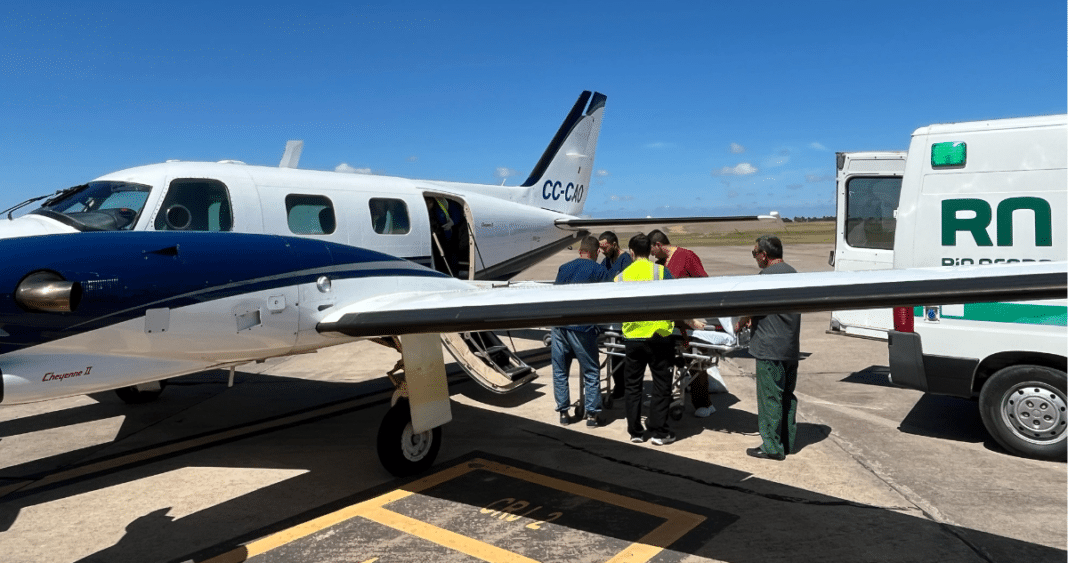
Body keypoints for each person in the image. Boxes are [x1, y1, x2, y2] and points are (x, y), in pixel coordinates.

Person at [738, 234, 802, 461]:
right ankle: (787, 442)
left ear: (764, 255)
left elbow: (750, 306)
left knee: (769, 398)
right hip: (790, 347)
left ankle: (772, 447)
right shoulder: (794, 273)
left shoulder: (764, 277)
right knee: (787, 396)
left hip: (769, 349)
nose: (755, 258)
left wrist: (741, 321)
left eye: (755, 253)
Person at [614, 233, 677, 446]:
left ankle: (635, 432)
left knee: (633, 386)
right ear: (650, 250)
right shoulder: (661, 272)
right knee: (661, 385)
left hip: (633, 338)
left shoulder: (621, 277)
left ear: (631, 252)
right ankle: (660, 432)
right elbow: (675, 300)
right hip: (659, 336)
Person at [648, 229, 715, 418]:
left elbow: (704, 282)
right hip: (669, 323)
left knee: (694, 361)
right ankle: (666, 396)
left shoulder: (687, 256)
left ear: (659, 245)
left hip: (688, 321)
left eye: (652, 250)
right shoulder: (660, 263)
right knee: (666, 362)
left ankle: (704, 403)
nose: (652, 255)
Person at [551, 236, 610, 427]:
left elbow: (554, 294)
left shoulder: (564, 267)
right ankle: (592, 416)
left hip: (559, 326)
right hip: (582, 327)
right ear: (596, 253)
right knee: (591, 371)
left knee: (560, 371)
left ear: (580, 251)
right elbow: (605, 301)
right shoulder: (599, 270)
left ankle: (563, 413)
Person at [597, 230, 633, 399]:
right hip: (610, 312)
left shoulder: (625, 260)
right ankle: (619, 385)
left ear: (614, 244)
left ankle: (622, 386)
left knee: (620, 354)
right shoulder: (606, 260)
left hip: (622, 313)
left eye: (605, 247)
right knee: (613, 353)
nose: (603, 251)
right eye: (600, 248)